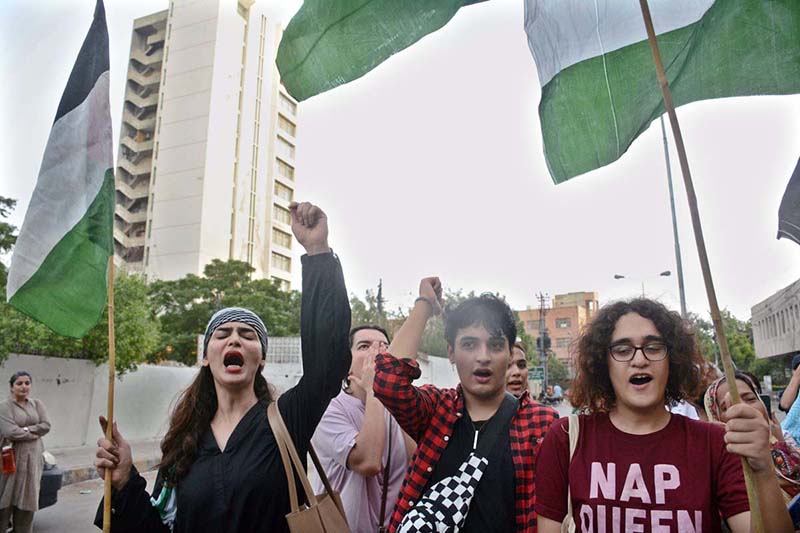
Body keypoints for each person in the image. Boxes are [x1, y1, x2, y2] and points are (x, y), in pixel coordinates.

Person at [93, 202, 352, 532]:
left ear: (261, 359)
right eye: (222, 334)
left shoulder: (286, 421)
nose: (234, 340)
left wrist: (317, 251)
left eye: (247, 335)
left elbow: (328, 362)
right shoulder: (183, 442)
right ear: (205, 357)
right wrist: (124, 480)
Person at [535, 298, 793, 533]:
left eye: (654, 347)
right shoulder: (566, 438)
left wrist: (763, 469)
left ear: (674, 360)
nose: (639, 360)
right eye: (623, 350)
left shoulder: (717, 444)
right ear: (603, 364)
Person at [373, 277, 559, 532]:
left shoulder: (542, 424)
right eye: (469, 344)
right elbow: (388, 382)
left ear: (509, 352)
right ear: (451, 352)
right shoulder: (437, 409)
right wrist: (425, 304)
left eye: (495, 345)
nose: (483, 357)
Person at [311, 324, 416, 532]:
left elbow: (417, 462)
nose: (376, 353)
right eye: (364, 346)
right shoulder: (328, 408)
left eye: (384, 347)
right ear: (346, 364)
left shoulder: (397, 408)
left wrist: (397, 394)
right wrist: (374, 390)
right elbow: (368, 461)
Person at [706, 371, 800, 502]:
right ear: (715, 417)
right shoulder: (721, 469)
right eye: (728, 406)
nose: (743, 408)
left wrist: (780, 442)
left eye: (750, 399)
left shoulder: (784, 445)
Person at [0, 371, 50, 533]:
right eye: (19, 383)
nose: (24, 387)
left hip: (33, 460)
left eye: (27, 383)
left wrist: (26, 429)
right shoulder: (4, 406)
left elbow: (46, 426)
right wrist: (34, 434)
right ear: (11, 387)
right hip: (10, 459)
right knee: (4, 501)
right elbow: (10, 432)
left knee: (27, 504)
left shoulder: (37, 404)